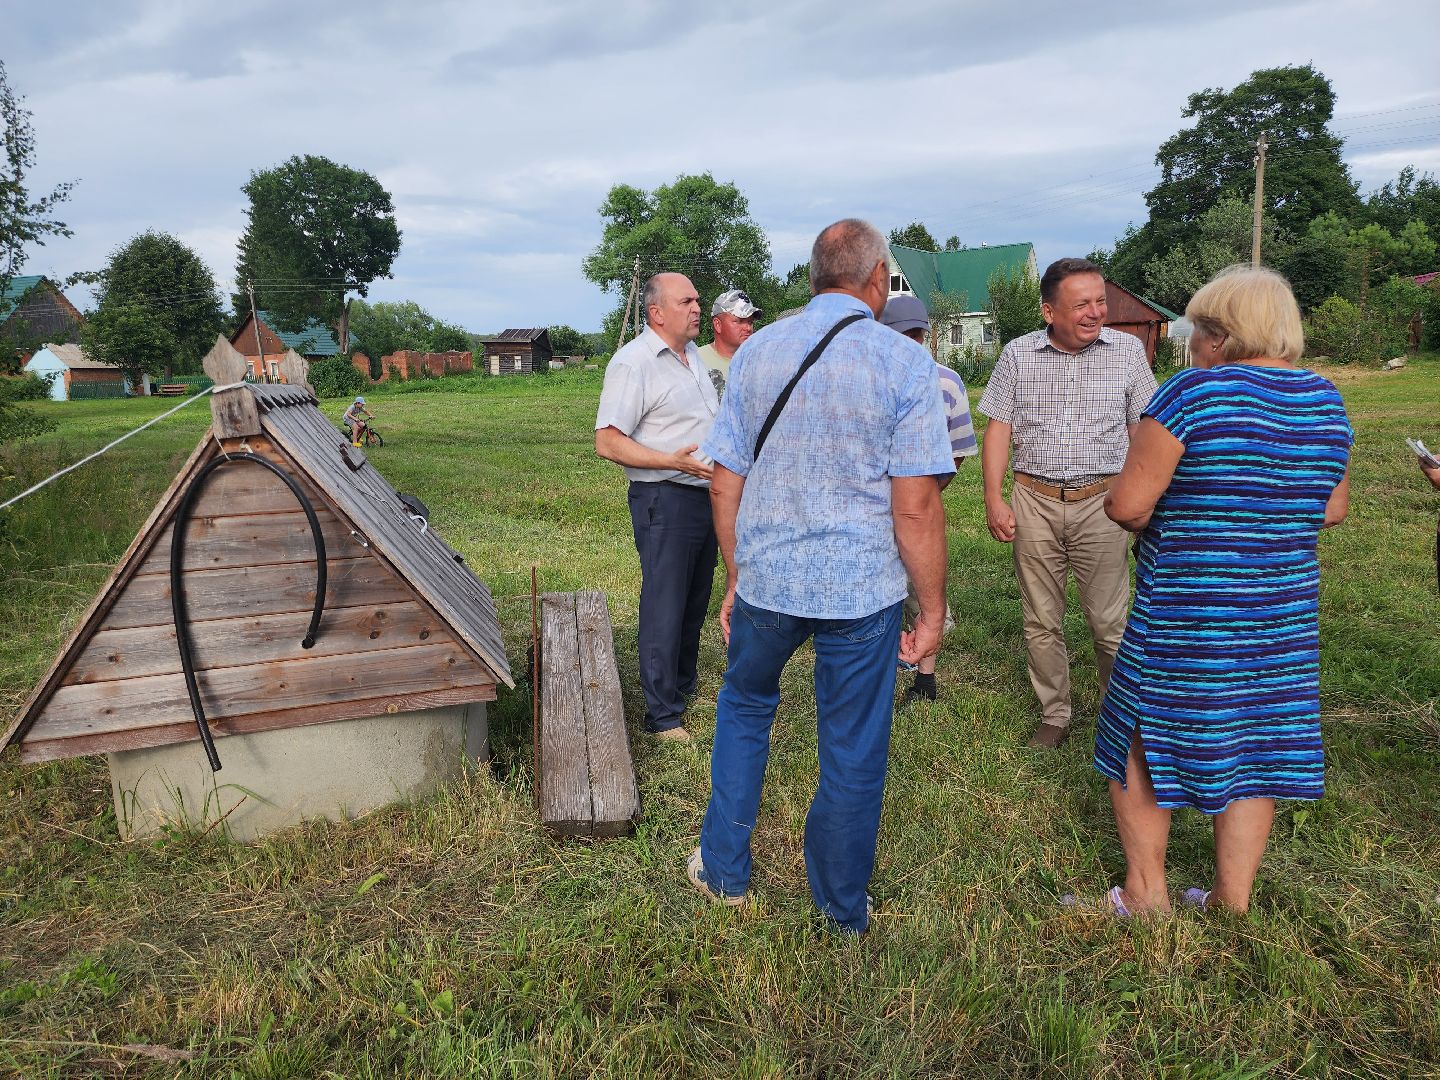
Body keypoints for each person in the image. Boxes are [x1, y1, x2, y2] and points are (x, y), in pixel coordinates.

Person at [688, 219, 953, 933]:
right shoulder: (903, 364)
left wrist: (737, 575)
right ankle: (839, 909)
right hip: (862, 592)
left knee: (745, 708)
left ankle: (723, 871)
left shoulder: (755, 351)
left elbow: (724, 481)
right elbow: (917, 506)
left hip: (768, 583)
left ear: (814, 278)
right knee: (852, 746)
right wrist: (931, 611)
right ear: (877, 280)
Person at [1095, 265, 1351, 915]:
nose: (1192, 341)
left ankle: (1144, 895)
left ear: (1220, 334)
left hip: (1189, 608)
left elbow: (1128, 505)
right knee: (1255, 744)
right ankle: (1231, 901)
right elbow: (1332, 509)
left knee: (1139, 734)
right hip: (1279, 613)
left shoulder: (1193, 394)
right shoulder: (1324, 400)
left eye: (1197, 328)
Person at [976, 258, 1158, 749]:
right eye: (1081, 305)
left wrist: (1143, 499)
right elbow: (999, 428)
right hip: (1033, 500)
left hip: (1103, 502)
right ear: (1049, 311)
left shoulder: (1127, 352)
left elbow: (1143, 430)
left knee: (1110, 623)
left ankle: (1120, 716)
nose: (1095, 312)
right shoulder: (1018, 355)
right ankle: (1054, 713)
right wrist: (993, 497)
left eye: (1100, 302)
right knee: (1041, 619)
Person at [595, 272, 720, 743]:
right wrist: (670, 461)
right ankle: (662, 715)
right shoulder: (634, 363)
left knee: (694, 599)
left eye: (697, 300)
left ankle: (681, 686)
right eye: (686, 301)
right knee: (665, 604)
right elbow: (608, 441)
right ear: (656, 313)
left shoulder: (692, 357)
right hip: (665, 498)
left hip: (704, 496)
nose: (697, 308)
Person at [879, 294, 978, 704]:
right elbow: (958, 451)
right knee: (900, 584)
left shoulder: (945, 381)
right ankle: (897, 670)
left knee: (919, 584)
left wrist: (923, 494)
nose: (910, 341)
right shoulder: (877, 376)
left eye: (913, 335)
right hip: (889, 502)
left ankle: (924, 677)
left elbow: (957, 450)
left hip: (904, 499)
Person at [697, 289, 761, 396]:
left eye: (750, 322)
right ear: (718, 325)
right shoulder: (695, 361)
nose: (748, 328)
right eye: (739, 321)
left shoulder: (760, 362)